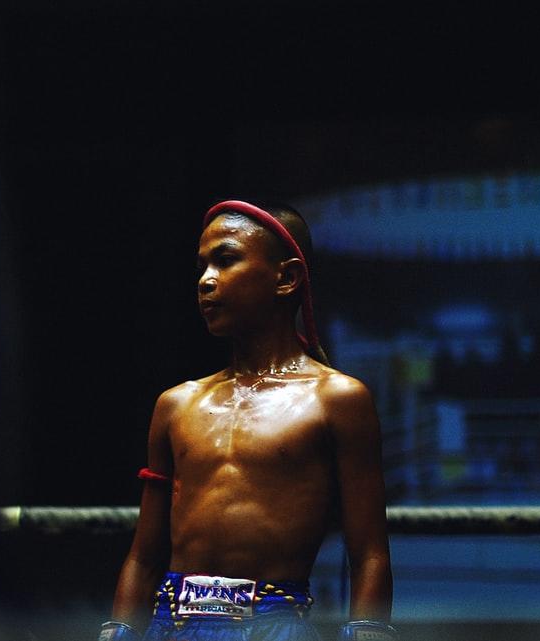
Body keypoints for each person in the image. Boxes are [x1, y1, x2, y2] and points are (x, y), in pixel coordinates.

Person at [97, 200, 396, 641]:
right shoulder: (176, 404)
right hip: (170, 621)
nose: (205, 281)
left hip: (273, 625)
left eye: (226, 259)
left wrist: (369, 632)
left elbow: (368, 550)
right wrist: (118, 632)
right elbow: (144, 555)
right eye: (201, 266)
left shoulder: (337, 399)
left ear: (287, 277)